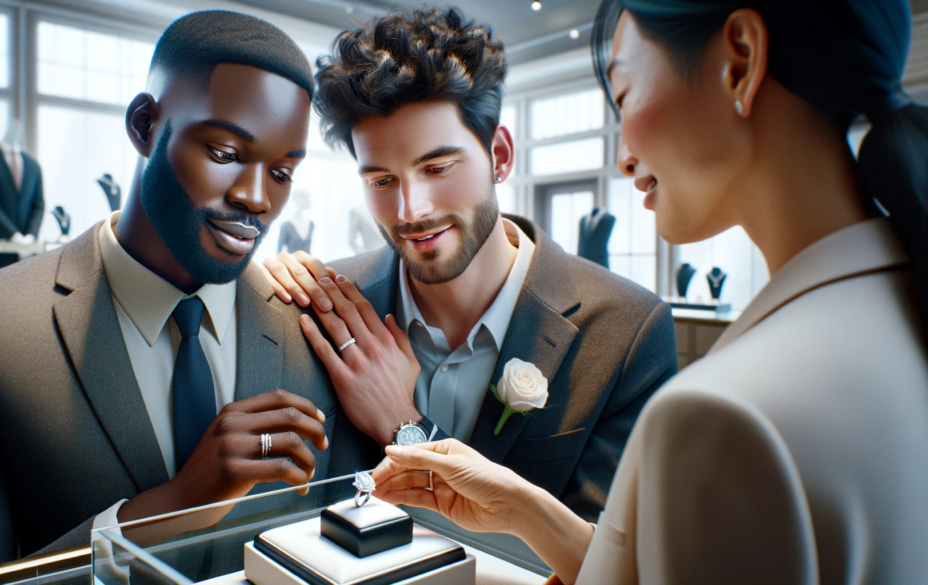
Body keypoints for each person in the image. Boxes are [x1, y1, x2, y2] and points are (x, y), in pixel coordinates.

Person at [371, 0, 928, 583]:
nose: (623, 155)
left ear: (739, 62)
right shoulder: (895, 312)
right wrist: (520, 507)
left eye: (626, 94)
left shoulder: (719, 414)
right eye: (382, 179)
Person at [0, 11, 350, 582]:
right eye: (224, 153)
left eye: (282, 173)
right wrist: (167, 509)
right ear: (144, 125)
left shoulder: (311, 323)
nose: (256, 198)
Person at [262, 7, 679, 521]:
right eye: (381, 181)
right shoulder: (327, 303)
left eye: (437, 167)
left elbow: (601, 564)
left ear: (500, 156)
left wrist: (404, 426)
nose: (410, 210)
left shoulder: (627, 333)